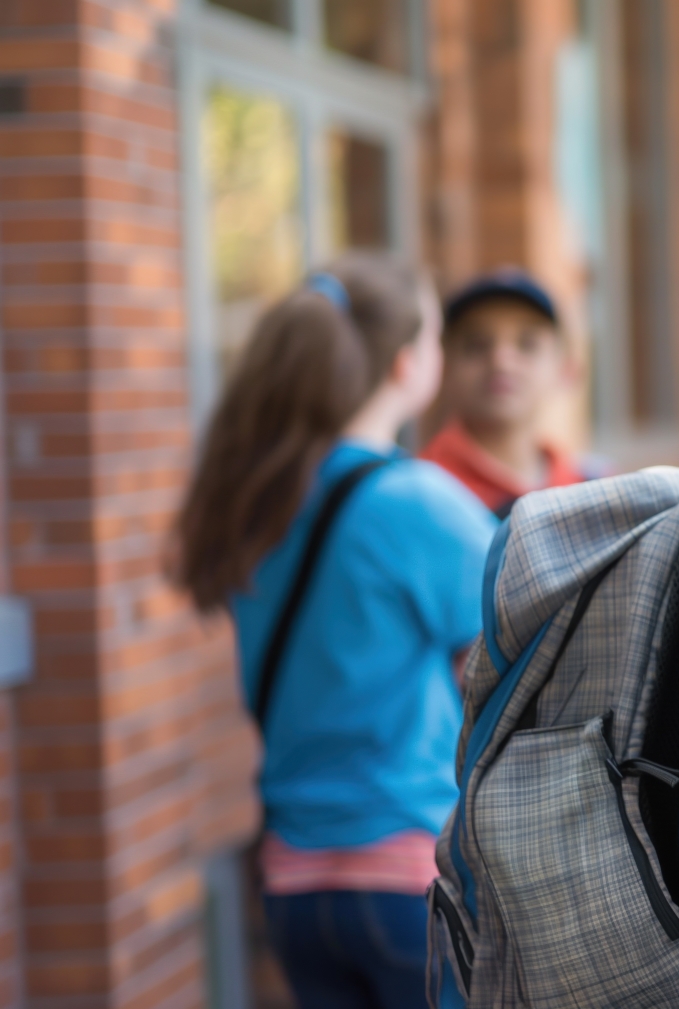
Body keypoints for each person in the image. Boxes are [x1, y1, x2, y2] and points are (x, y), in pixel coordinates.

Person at [172, 255, 497, 1009]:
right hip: (407, 882)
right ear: (408, 363)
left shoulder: (257, 496)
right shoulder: (412, 502)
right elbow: (536, 635)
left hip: (293, 889)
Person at [419, 270, 586, 517]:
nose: (501, 361)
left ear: (566, 369)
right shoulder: (423, 491)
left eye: (527, 344)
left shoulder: (587, 487)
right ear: (445, 365)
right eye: (477, 345)